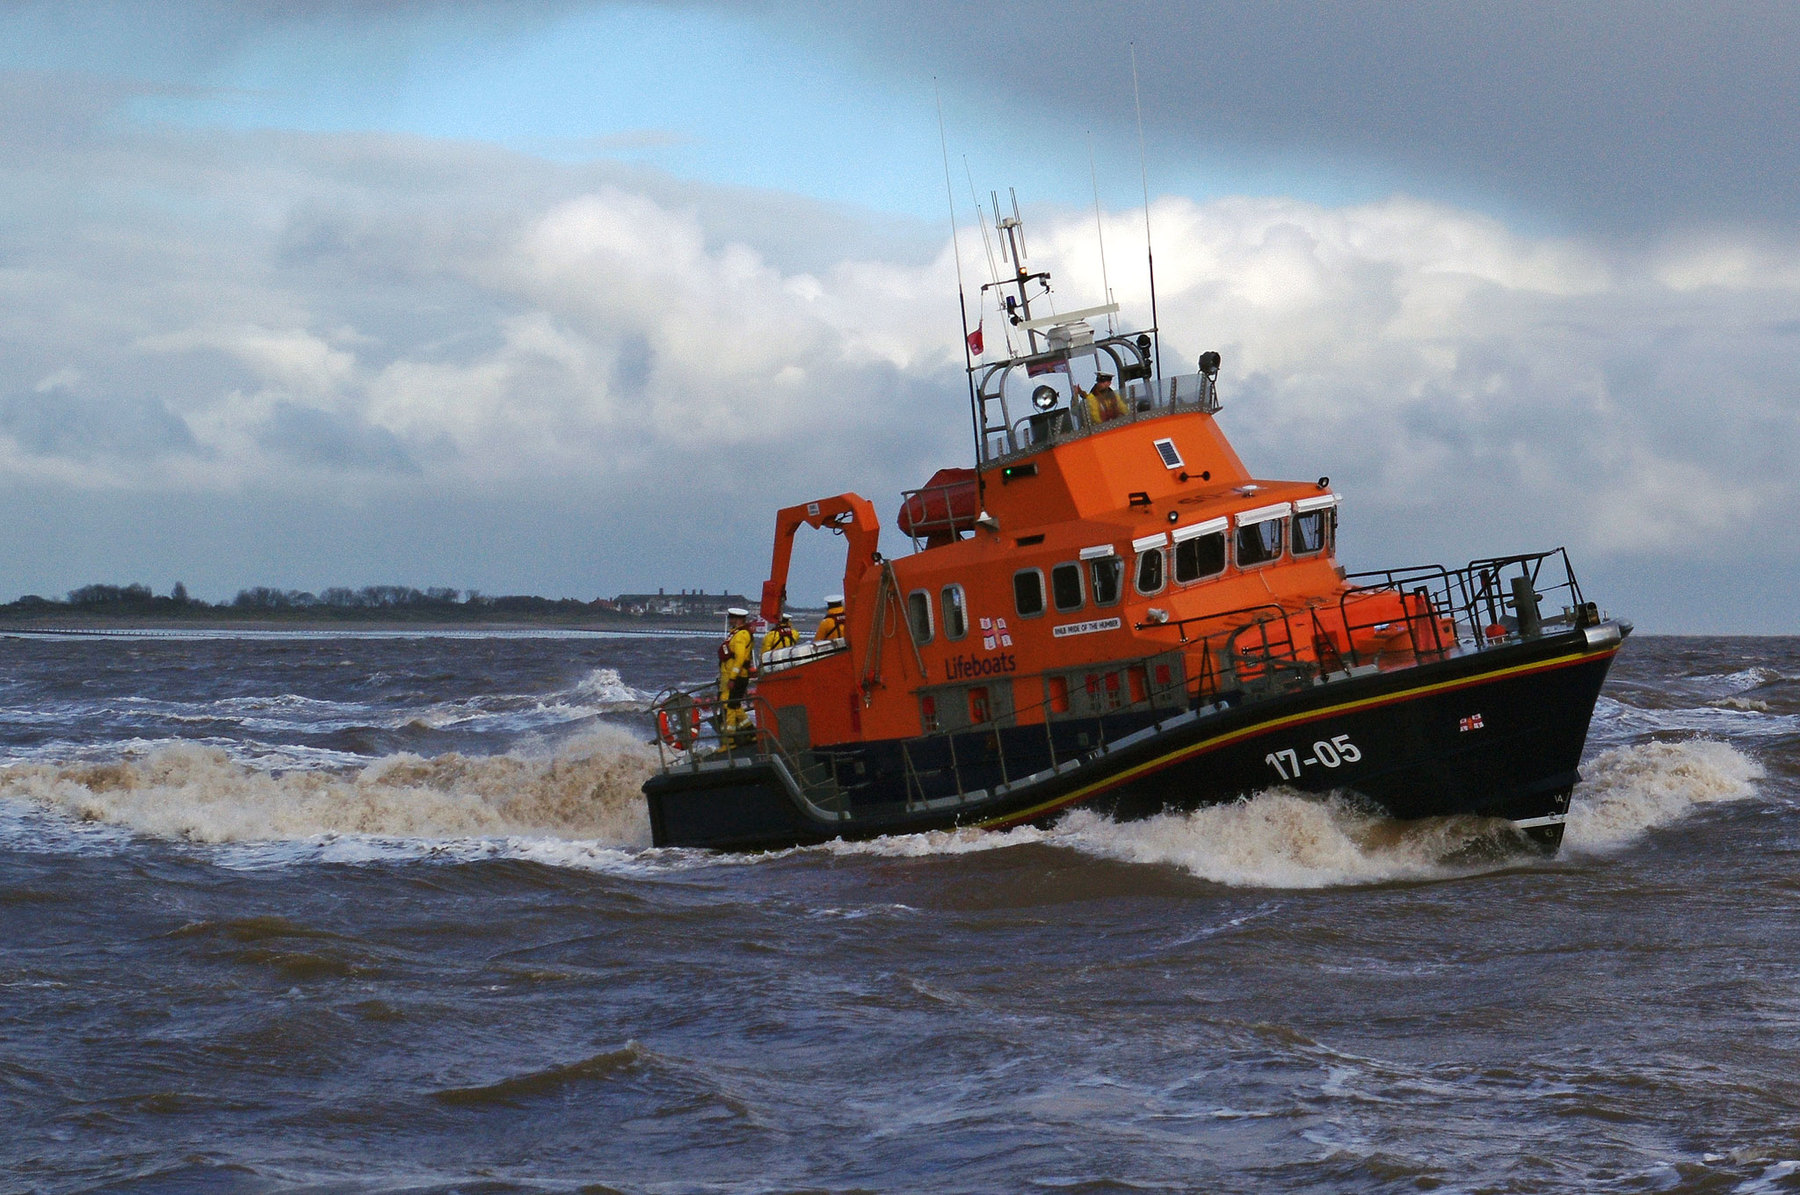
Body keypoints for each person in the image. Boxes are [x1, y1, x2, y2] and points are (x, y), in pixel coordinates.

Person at [717, 607, 756, 747]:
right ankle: (751, 732)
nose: (730, 620)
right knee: (734, 705)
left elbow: (739, 658)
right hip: (730, 676)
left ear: (738, 619)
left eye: (732, 618)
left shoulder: (740, 635)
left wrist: (733, 678)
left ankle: (729, 741)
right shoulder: (736, 634)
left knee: (730, 706)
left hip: (737, 677)